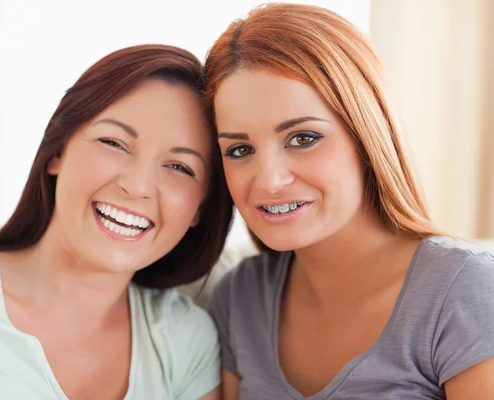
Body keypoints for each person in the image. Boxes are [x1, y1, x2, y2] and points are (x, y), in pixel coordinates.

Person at [0, 44, 232, 399]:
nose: (136, 186)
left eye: (180, 167)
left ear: (200, 208)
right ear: (58, 151)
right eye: (114, 142)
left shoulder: (187, 339)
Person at [203, 4, 494, 399]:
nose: (269, 181)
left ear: (366, 134)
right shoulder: (240, 298)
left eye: (303, 138)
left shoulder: (465, 291)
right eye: (239, 150)